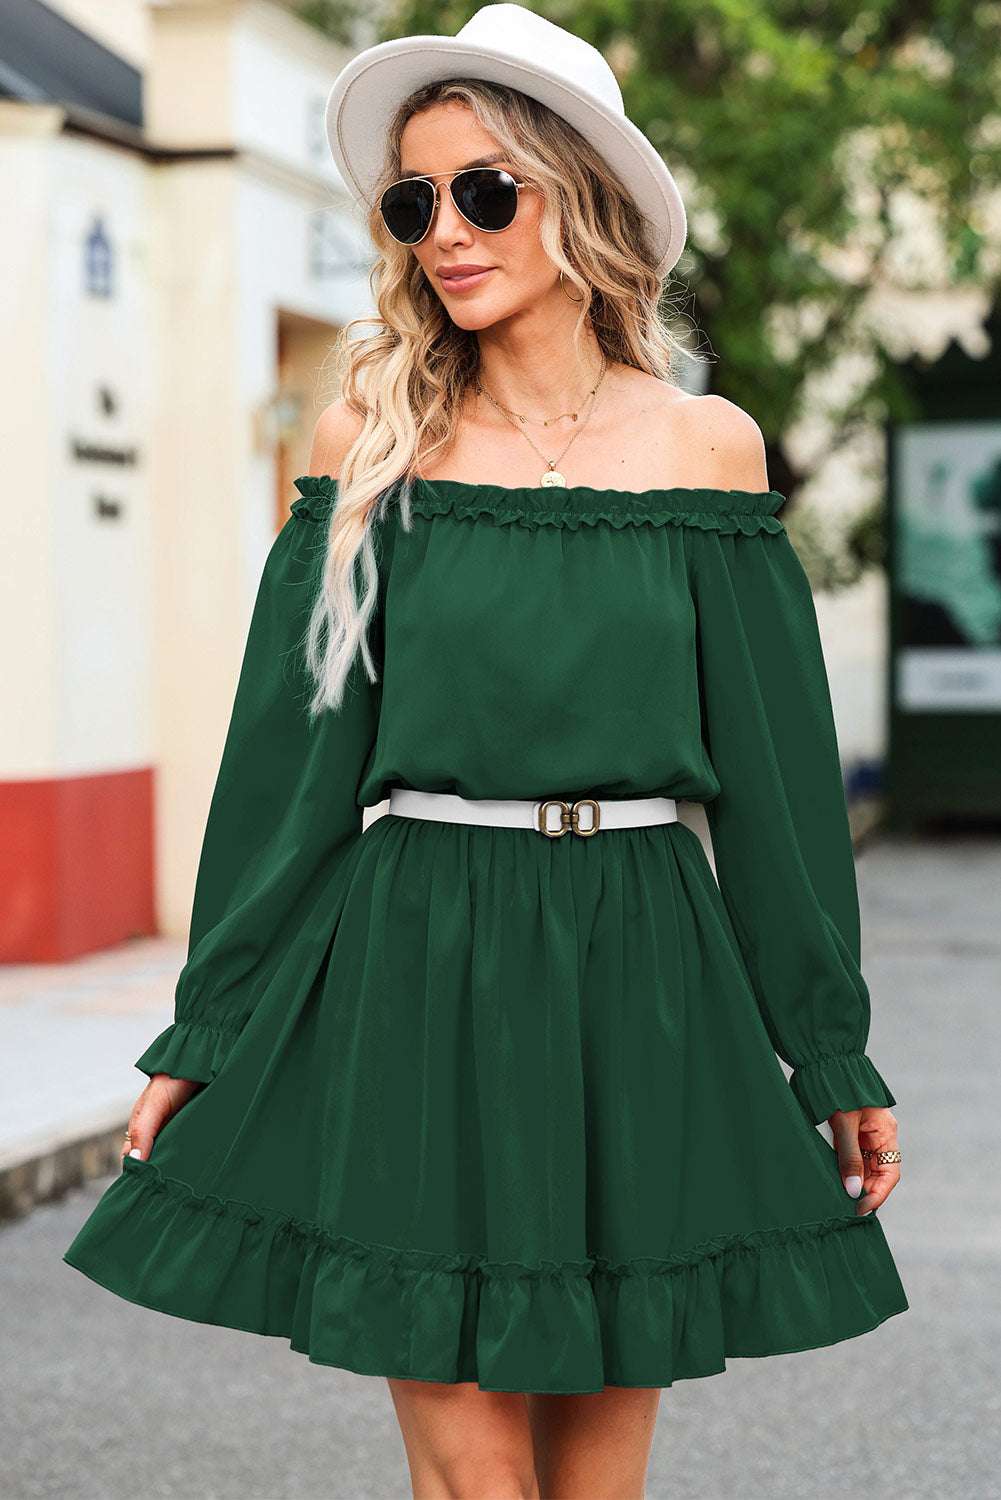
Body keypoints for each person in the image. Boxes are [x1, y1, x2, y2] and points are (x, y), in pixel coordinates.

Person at [63, 5, 907, 1496]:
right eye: (411, 202)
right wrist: (209, 1027)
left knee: (597, 1482)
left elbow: (774, 791)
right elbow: (292, 776)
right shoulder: (366, 451)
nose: (442, 233)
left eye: (482, 191)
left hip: (646, 964)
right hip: (419, 958)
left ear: (578, 198)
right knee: (471, 1478)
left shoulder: (704, 450)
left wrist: (826, 1044)